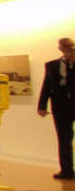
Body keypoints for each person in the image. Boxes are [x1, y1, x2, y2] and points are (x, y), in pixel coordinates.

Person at [37, 37, 75, 179]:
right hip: (60, 107)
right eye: (66, 45)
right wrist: (42, 105)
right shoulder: (51, 65)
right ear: (60, 48)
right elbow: (46, 86)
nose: (69, 47)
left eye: (71, 45)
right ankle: (67, 170)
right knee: (64, 139)